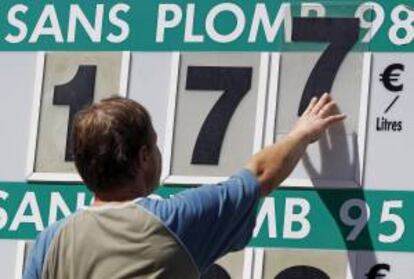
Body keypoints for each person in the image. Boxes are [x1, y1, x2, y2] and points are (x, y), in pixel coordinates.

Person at [24, 93, 345, 279]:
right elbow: (259, 175)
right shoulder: (174, 222)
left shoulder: (49, 243)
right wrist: (301, 135)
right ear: (144, 157)